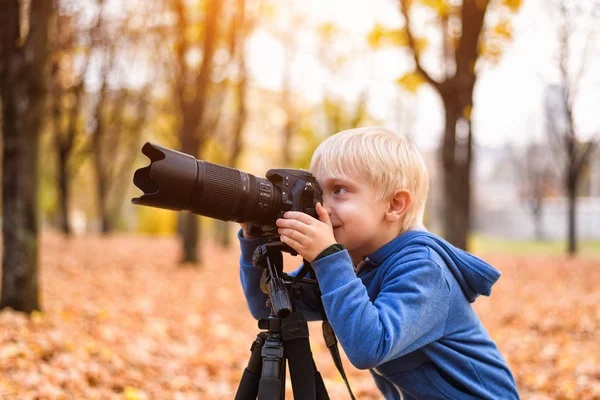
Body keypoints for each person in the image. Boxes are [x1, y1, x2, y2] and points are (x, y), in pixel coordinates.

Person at [237, 127, 519, 399]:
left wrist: (327, 259)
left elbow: (369, 346)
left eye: (339, 190)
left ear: (395, 204)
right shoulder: (354, 262)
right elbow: (266, 304)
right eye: (319, 193)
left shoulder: (424, 268)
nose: (322, 207)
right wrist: (253, 235)